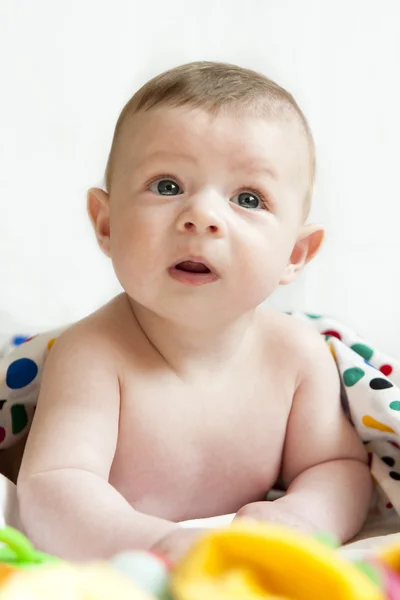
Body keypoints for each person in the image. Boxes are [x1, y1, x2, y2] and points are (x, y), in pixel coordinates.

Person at [13, 61, 371, 562]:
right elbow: (53, 486)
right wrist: (155, 544)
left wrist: (305, 518)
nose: (201, 216)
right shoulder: (95, 354)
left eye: (248, 197)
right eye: (167, 186)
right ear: (107, 224)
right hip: (125, 557)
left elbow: (339, 467)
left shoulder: (298, 357)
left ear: (295, 254)